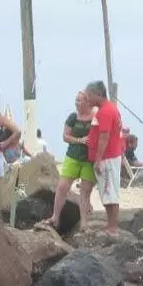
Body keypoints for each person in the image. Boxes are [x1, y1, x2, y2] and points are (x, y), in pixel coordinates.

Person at [43, 91, 95, 230]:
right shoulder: (73, 117)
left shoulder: (95, 117)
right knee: (62, 187)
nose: (77, 103)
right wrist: (79, 140)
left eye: (80, 100)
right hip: (73, 156)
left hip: (89, 159)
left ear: (87, 102)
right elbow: (65, 136)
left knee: (85, 192)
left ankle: (84, 222)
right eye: (76, 100)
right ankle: (55, 216)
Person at [85, 80, 122, 234]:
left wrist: (98, 159)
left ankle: (112, 226)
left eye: (89, 95)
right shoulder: (110, 108)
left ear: (98, 95)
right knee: (108, 191)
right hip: (110, 156)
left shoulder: (105, 111)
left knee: (109, 190)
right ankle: (110, 223)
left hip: (107, 157)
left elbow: (104, 137)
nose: (87, 98)